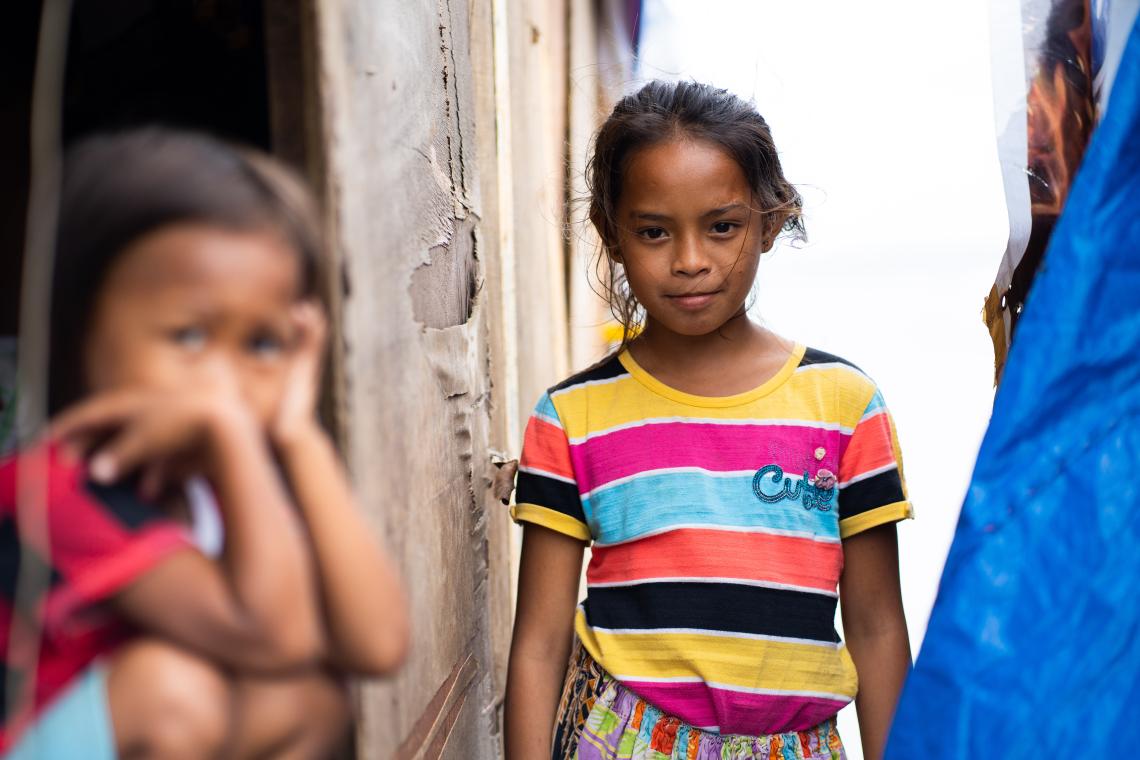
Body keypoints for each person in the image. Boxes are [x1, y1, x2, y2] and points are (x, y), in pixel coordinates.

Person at [504, 81, 913, 760]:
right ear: (612, 234)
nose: (690, 260)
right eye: (654, 231)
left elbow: (875, 627)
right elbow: (539, 645)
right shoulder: (571, 419)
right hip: (622, 740)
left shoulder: (844, 406)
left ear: (771, 222)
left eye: (721, 226)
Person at [1, 128, 409, 759]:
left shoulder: (217, 485)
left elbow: (377, 644)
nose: (222, 387)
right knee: (173, 690)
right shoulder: (58, 485)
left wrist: (298, 436)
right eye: (188, 337)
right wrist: (229, 433)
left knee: (309, 703)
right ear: (75, 332)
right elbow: (276, 635)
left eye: (262, 345)